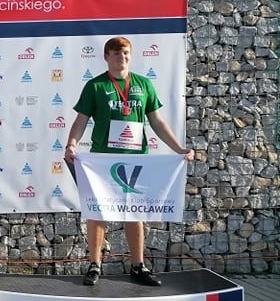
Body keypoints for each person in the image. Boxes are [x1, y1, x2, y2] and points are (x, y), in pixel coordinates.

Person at [64, 36, 194, 287]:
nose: (121, 57)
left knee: (135, 213)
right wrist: (71, 144)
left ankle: (138, 265)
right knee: (97, 211)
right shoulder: (95, 86)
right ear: (106, 57)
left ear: (130, 56)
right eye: (115, 53)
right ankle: (94, 264)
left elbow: (157, 121)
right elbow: (81, 120)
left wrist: (179, 148)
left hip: (136, 160)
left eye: (125, 53)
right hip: (103, 161)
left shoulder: (144, 85)